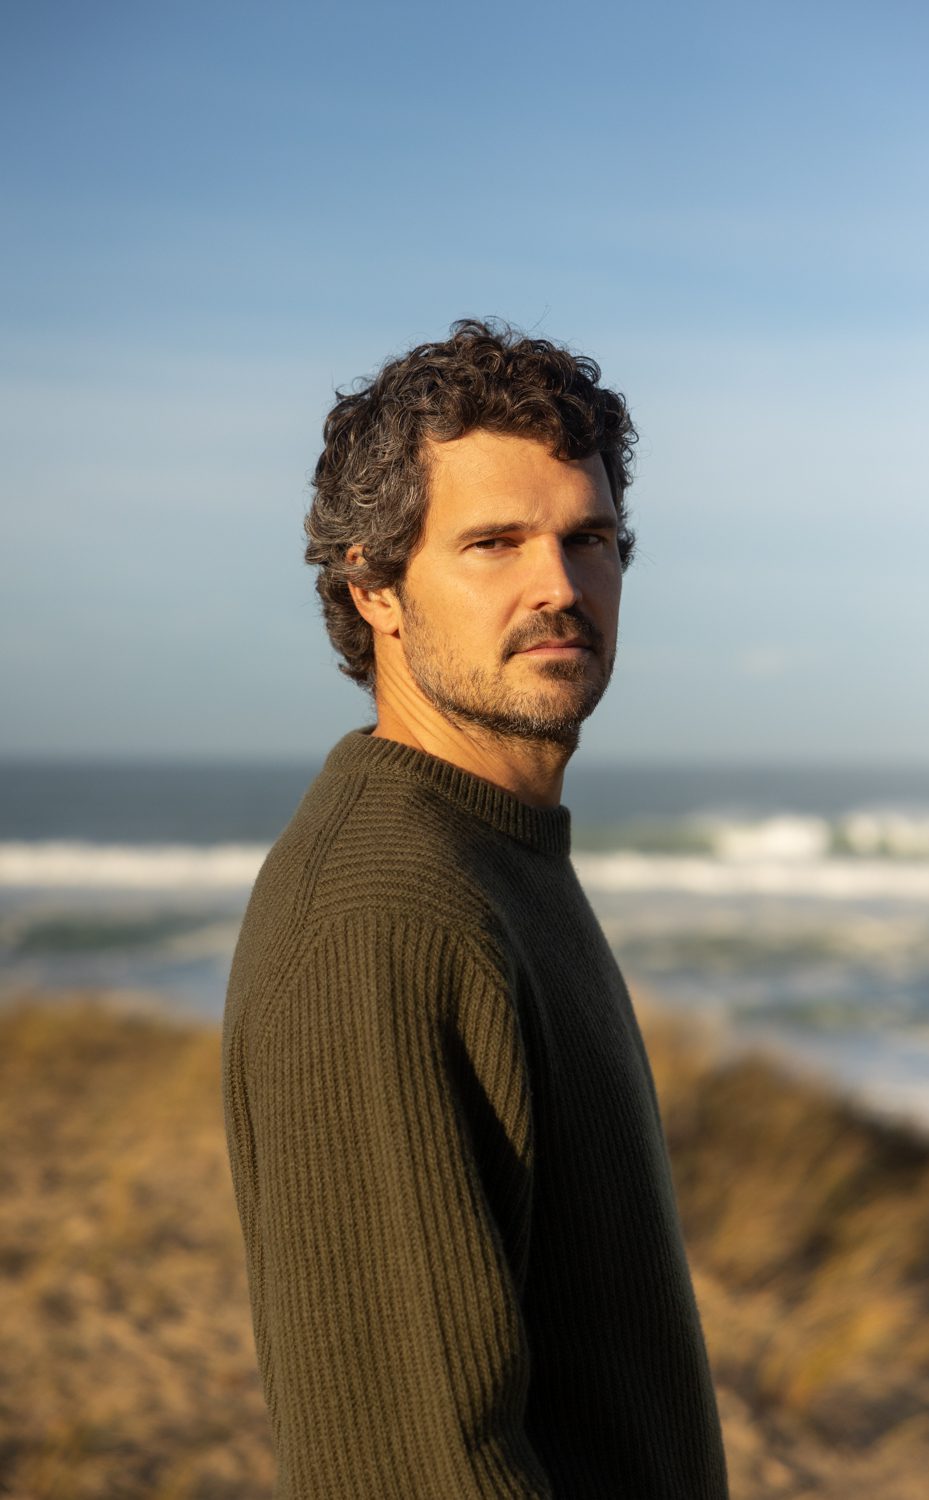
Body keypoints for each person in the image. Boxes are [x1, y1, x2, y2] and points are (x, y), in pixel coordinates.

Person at [222, 319, 729, 1498]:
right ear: (376, 586)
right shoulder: (385, 917)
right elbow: (410, 1463)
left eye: (589, 538)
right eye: (494, 543)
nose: (559, 587)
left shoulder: (498, 849)